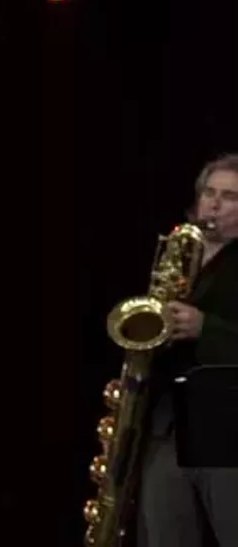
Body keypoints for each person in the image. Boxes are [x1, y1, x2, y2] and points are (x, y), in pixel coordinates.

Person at [138, 154, 238, 547]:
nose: (214, 204)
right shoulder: (179, 256)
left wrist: (205, 328)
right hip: (169, 426)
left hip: (228, 432)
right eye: (209, 193)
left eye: (230, 196)